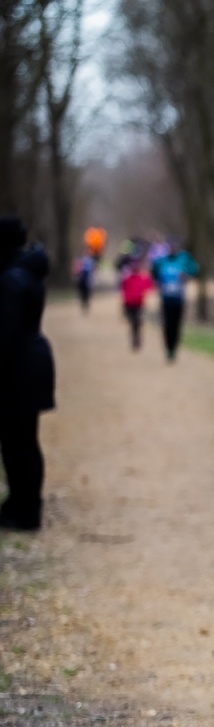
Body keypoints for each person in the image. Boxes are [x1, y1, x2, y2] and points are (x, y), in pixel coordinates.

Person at [0, 217, 55, 531]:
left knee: (17, 442)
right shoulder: (25, 272)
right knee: (24, 440)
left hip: (20, 367)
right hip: (32, 360)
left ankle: (25, 509)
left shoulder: (11, 279)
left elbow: (5, 333)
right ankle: (24, 505)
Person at [151, 243, 200, 361]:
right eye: (171, 248)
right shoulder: (161, 261)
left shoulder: (184, 260)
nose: (173, 249)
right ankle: (168, 348)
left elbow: (195, 270)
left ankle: (174, 348)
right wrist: (158, 282)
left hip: (179, 299)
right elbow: (153, 271)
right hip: (165, 298)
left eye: (175, 247)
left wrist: (187, 276)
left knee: (176, 325)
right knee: (167, 324)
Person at [120, 259, 153, 351]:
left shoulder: (143, 278)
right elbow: (123, 291)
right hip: (129, 304)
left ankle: (137, 338)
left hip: (139, 305)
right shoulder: (127, 278)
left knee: (137, 322)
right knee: (132, 322)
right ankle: (134, 338)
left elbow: (150, 288)